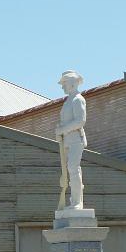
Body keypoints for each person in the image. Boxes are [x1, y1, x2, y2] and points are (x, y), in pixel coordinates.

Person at [55, 70, 87, 209]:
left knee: (73, 168)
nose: (62, 87)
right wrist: (60, 130)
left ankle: (77, 202)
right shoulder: (68, 100)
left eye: (64, 83)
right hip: (67, 140)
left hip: (75, 139)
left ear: (72, 83)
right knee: (70, 169)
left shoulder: (78, 99)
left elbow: (80, 121)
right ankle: (74, 200)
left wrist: (63, 129)